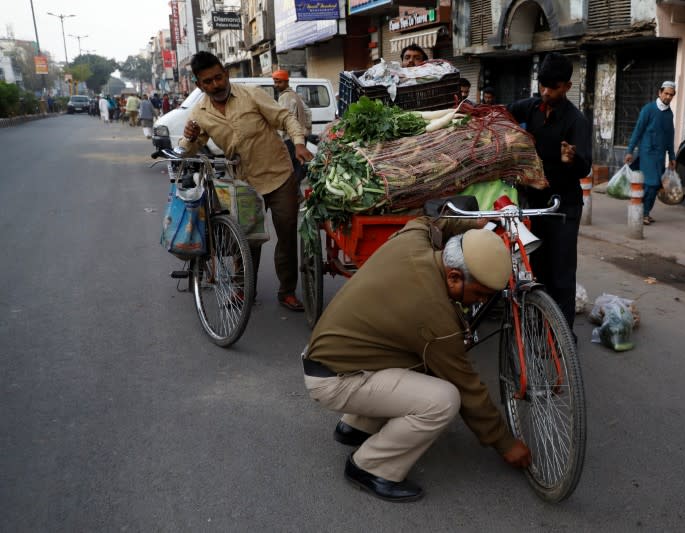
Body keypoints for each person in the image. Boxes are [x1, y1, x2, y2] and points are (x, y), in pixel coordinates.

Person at [303, 217, 532, 502]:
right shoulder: (435, 314)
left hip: (334, 355)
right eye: (479, 294)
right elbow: (467, 387)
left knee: (418, 356)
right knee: (444, 399)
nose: (480, 302)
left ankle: (356, 426)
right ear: (454, 277)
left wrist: (472, 228)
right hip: (333, 380)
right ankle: (370, 466)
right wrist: (505, 443)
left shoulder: (413, 241)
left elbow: (427, 222)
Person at [179, 51, 312, 311]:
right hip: (243, 183)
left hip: (279, 175)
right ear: (199, 85)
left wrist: (298, 143)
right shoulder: (200, 112)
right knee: (247, 240)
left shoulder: (251, 95)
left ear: (226, 74)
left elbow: (284, 118)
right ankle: (243, 290)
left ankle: (286, 291)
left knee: (286, 237)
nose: (215, 85)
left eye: (218, 77)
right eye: (207, 82)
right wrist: (189, 138)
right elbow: (189, 150)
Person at [507, 52, 592, 332]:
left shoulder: (575, 120)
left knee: (562, 275)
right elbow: (503, 112)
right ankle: (540, 328)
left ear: (567, 86)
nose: (545, 92)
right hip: (535, 204)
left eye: (552, 88)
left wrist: (573, 160)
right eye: (542, 85)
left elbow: (584, 168)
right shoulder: (531, 108)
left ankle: (563, 336)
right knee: (539, 269)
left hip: (564, 207)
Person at [623, 81, 677, 225]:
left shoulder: (669, 114)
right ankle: (642, 213)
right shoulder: (648, 109)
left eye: (671, 95)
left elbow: (670, 136)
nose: (668, 97)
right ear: (659, 92)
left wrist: (672, 156)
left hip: (659, 155)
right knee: (651, 184)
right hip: (647, 152)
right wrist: (630, 150)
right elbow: (638, 130)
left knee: (654, 185)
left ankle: (644, 211)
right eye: (666, 93)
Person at [272, 69, 312, 183]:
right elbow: (308, 112)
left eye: (279, 82)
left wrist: (279, 137)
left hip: (291, 138)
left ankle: (295, 192)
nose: (276, 85)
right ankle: (297, 191)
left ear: (286, 82)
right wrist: (306, 129)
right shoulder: (294, 94)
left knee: (291, 169)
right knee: (298, 165)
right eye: (275, 82)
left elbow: (284, 119)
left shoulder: (285, 97)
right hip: (300, 137)